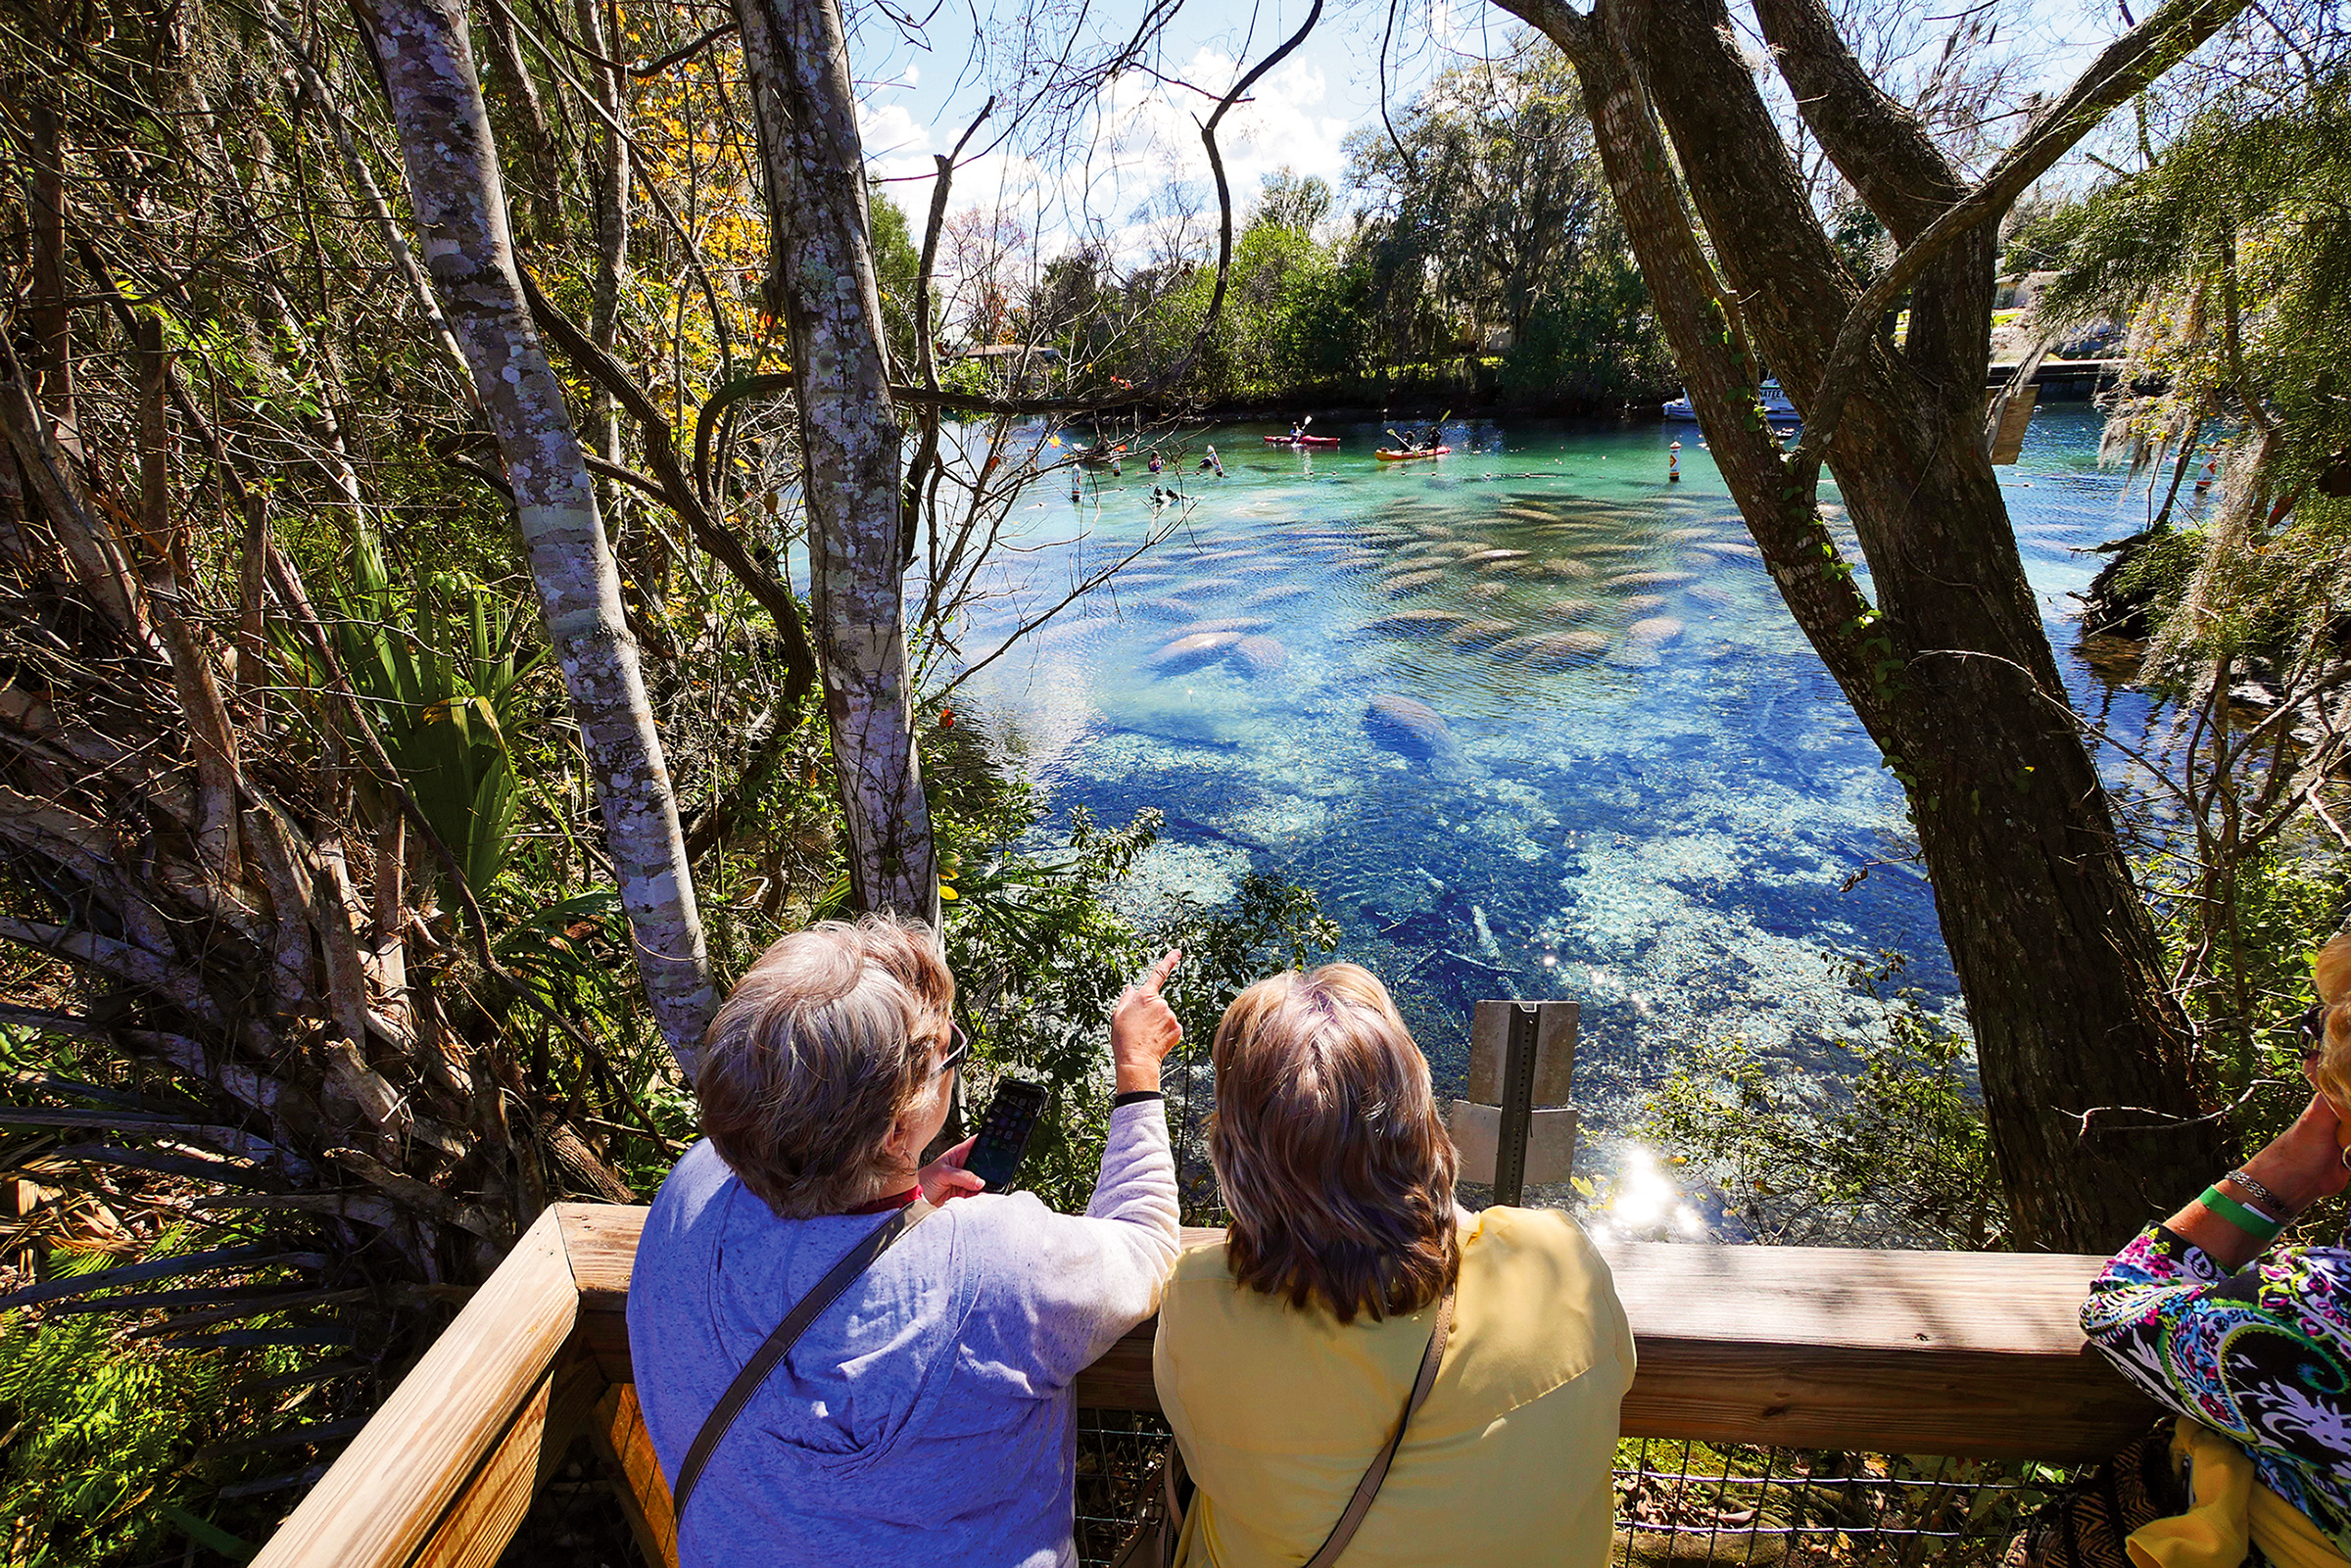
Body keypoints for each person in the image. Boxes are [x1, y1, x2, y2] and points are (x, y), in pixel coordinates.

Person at [630, 917, 1186, 1568]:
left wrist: (904, 1196)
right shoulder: (994, 1263)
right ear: (897, 1130)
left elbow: (805, 1224)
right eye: (948, 1048)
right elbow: (1146, 1241)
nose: (953, 1052)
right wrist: (1138, 1067)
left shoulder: (689, 1193)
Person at [1152, 964, 1634, 1567]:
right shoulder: (1557, 1259)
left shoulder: (1201, 1300)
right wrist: (1421, 1189)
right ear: (1420, 1117)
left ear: (1236, 1153)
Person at [2082, 930, 2351, 1567]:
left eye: (2319, 1032)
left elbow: (2119, 1309)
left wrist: (2284, 1170)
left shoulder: (2319, 1312)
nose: (2309, 1063)